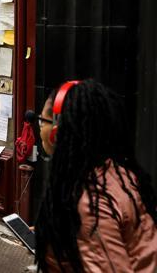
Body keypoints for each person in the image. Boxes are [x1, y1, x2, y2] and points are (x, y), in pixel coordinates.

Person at [34, 79, 157, 272]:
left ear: (58, 131)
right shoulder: (115, 173)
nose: (40, 127)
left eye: (42, 120)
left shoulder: (90, 206)